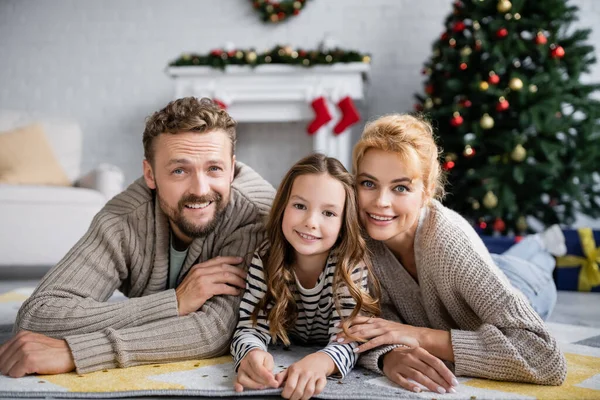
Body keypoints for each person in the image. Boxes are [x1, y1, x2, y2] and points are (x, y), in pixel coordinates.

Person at [0, 97, 275, 378]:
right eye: (179, 170)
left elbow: (213, 330)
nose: (200, 189)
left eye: (214, 169)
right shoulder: (123, 219)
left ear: (232, 168)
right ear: (150, 174)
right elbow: (35, 319)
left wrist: (76, 352)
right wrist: (175, 302)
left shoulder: (254, 217)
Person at [334, 114, 568, 394]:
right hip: (484, 268)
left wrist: (418, 336)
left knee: (537, 262)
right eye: (368, 184)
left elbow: (546, 359)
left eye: (400, 188)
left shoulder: (449, 242)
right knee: (504, 257)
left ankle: (543, 246)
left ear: (427, 192)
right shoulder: (357, 234)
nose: (381, 202)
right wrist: (389, 355)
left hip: (528, 284)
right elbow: (368, 326)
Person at [231, 153, 380, 400]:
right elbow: (250, 325)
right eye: (300, 206)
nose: (311, 222)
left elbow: (352, 338)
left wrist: (322, 361)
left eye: (329, 213)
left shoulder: (349, 264)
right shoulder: (267, 257)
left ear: (344, 222)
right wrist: (251, 353)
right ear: (283, 208)